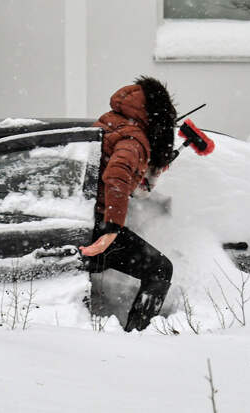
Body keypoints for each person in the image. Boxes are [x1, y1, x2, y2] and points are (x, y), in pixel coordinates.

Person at [79, 76, 177, 332]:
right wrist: (112, 228)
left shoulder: (111, 121)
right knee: (160, 269)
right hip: (97, 228)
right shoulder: (135, 139)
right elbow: (116, 176)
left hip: (78, 216)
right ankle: (139, 333)